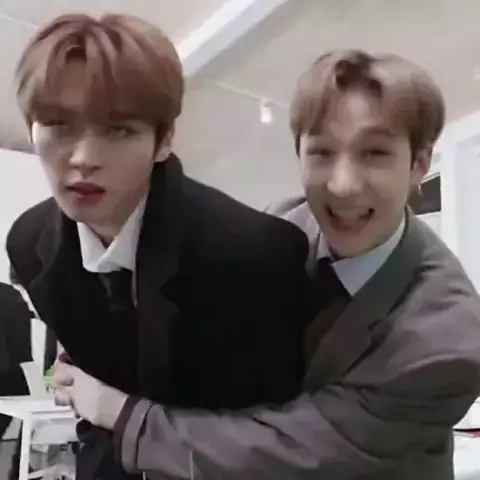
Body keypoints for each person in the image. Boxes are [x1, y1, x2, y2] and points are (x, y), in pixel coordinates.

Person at [52, 50, 480, 479]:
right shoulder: (281, 227)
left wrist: (120, 413)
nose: (343, 185)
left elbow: (295, 450)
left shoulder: (447, 339)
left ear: (419, 164)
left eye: (375, 153)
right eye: (322, 152)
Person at [6, 13, 311, 480]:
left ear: (164, 140)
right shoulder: (30, 243)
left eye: (119, 130)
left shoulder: (254, 254)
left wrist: (115, 409)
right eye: (59, 124)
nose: (84, 159)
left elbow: (275, 434)